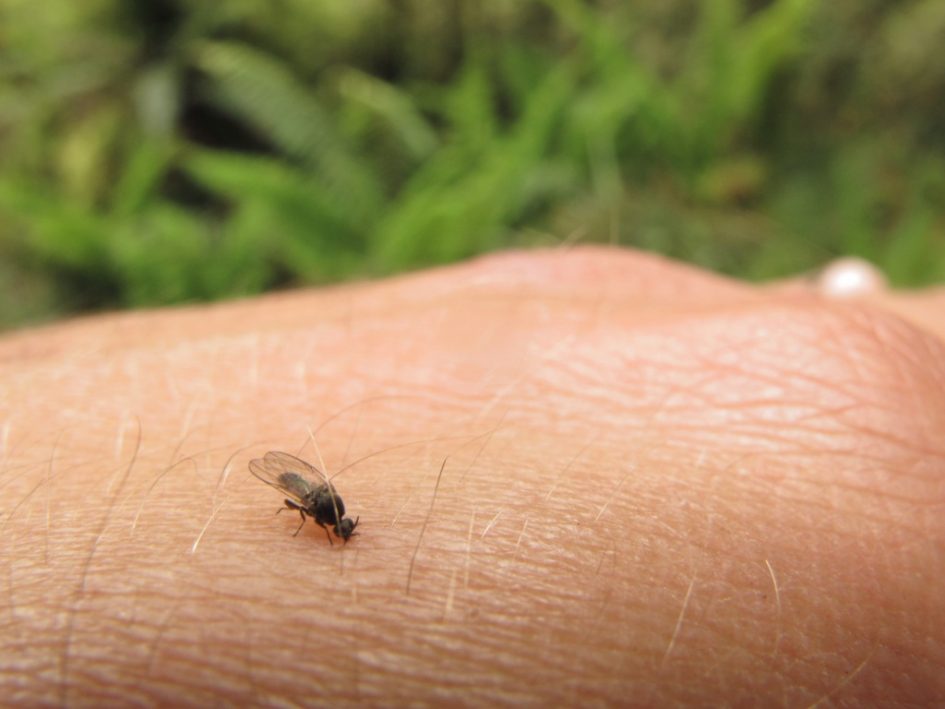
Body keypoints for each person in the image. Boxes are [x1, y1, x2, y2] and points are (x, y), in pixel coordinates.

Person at [1, 247, 942, 704]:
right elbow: (290, 482)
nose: (330, 525)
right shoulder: (307, 500)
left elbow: (312, 483)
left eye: (331, 523)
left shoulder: (330, 502)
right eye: (330, 524)